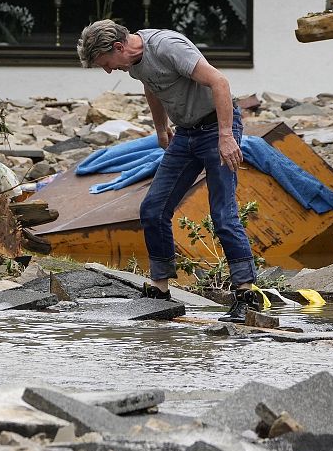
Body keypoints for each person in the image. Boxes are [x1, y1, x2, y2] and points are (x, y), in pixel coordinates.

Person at [77, 19, 265, 322]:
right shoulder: (134, 62)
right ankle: (160, 290)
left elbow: (220, 82)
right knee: (153, 208)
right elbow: (152, 87)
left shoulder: (168, 47)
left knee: (223, 213)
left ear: (118, 47)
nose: (109, 70)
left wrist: (227, 136)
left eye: (106, 63)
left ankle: (246, 294)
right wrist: (161, 131)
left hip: (216, 128)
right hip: (186, 134)